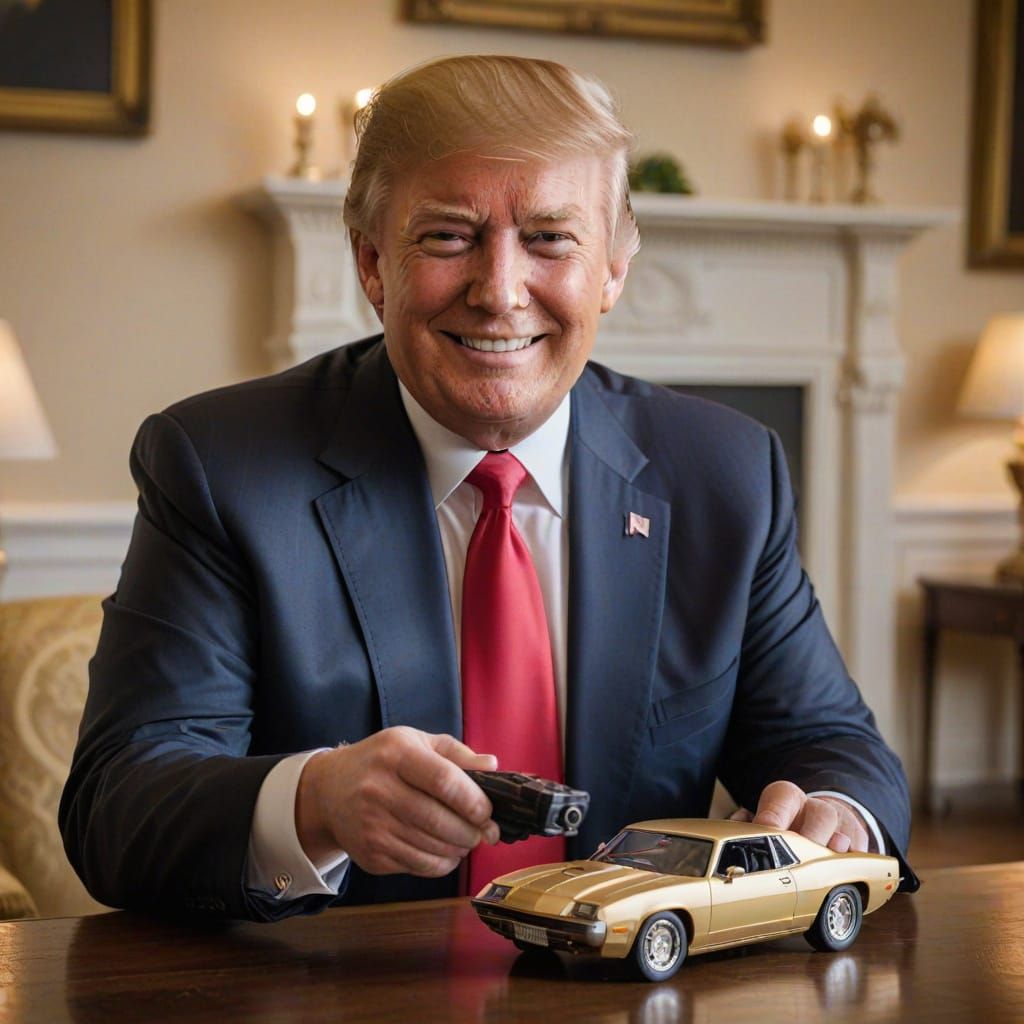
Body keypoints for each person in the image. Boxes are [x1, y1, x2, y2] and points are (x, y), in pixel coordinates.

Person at [60, 55, 916, 922]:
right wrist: (315, 801)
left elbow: (833, 746)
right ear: (371, 262)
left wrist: (833, 815)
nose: (499, 292)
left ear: (614, 268)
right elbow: (118, 806)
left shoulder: (724, 472)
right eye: (447, 236)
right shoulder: (220, 467)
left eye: (550, 238)